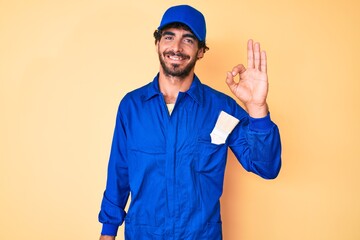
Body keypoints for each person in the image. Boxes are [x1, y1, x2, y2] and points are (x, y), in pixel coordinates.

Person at [98, 4, 281, 240]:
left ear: (201, 50)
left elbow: (266, 167)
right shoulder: (132, 107)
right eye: (169, 37)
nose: (176, 47)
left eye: (188, 40)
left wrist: (257, 109)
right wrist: (108, 230)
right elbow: (119, 171)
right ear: (158, 43)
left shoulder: (222, 109)